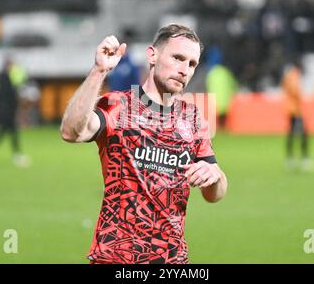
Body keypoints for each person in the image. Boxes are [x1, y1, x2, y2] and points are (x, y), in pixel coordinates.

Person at [60, 24, 228, 264]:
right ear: (152, 55)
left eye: (191, 64)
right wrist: (98, 71)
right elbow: (71, 131)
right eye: (178, 58)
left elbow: (214, 195)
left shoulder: (192, 119)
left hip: (173, 261)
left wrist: (215, 175)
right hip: (116, 258)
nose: (184, 70)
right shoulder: (117, 106)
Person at [0, 59, 30, 168]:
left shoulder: (7, 78)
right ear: (7, 66)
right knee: (8, 131)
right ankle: (16, 155)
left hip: (8, 110)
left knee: (7, 131)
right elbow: (8, 93)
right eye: (11, 66)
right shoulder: (3, 77)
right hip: (5, 110)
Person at [281, 60, 314, 171]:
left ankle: (290, 159)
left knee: (291, 133)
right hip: (296, 110)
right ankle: (304, 159)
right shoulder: (294, 76)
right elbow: (296, 91)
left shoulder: (288, 75)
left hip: (290, 108)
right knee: (302, 134)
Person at [205, 46, 238, 130]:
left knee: (217, 116)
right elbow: (233, 84)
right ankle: (223, 128)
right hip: (225, 100)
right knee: (223, 117)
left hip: (215, 100)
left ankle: (218, 129)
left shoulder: (210, 73)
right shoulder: (225, 71)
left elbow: (207, 85)